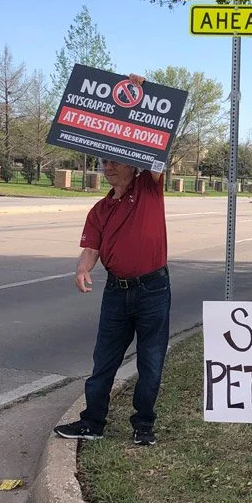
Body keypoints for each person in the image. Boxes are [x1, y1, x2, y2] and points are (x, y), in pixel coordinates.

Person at [54, 74, 169, 446]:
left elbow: (156, 144)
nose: (109, 166)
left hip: (153, 289)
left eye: (116, 160)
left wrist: (143, 93)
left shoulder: (150, 187)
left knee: (150, 362)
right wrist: (83, 268)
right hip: (116, 293)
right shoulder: (100, 209)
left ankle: (143, 426)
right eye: (104, 161)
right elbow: (91, 248)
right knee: (103, 361)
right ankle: (93, 423)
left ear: (133, 165)